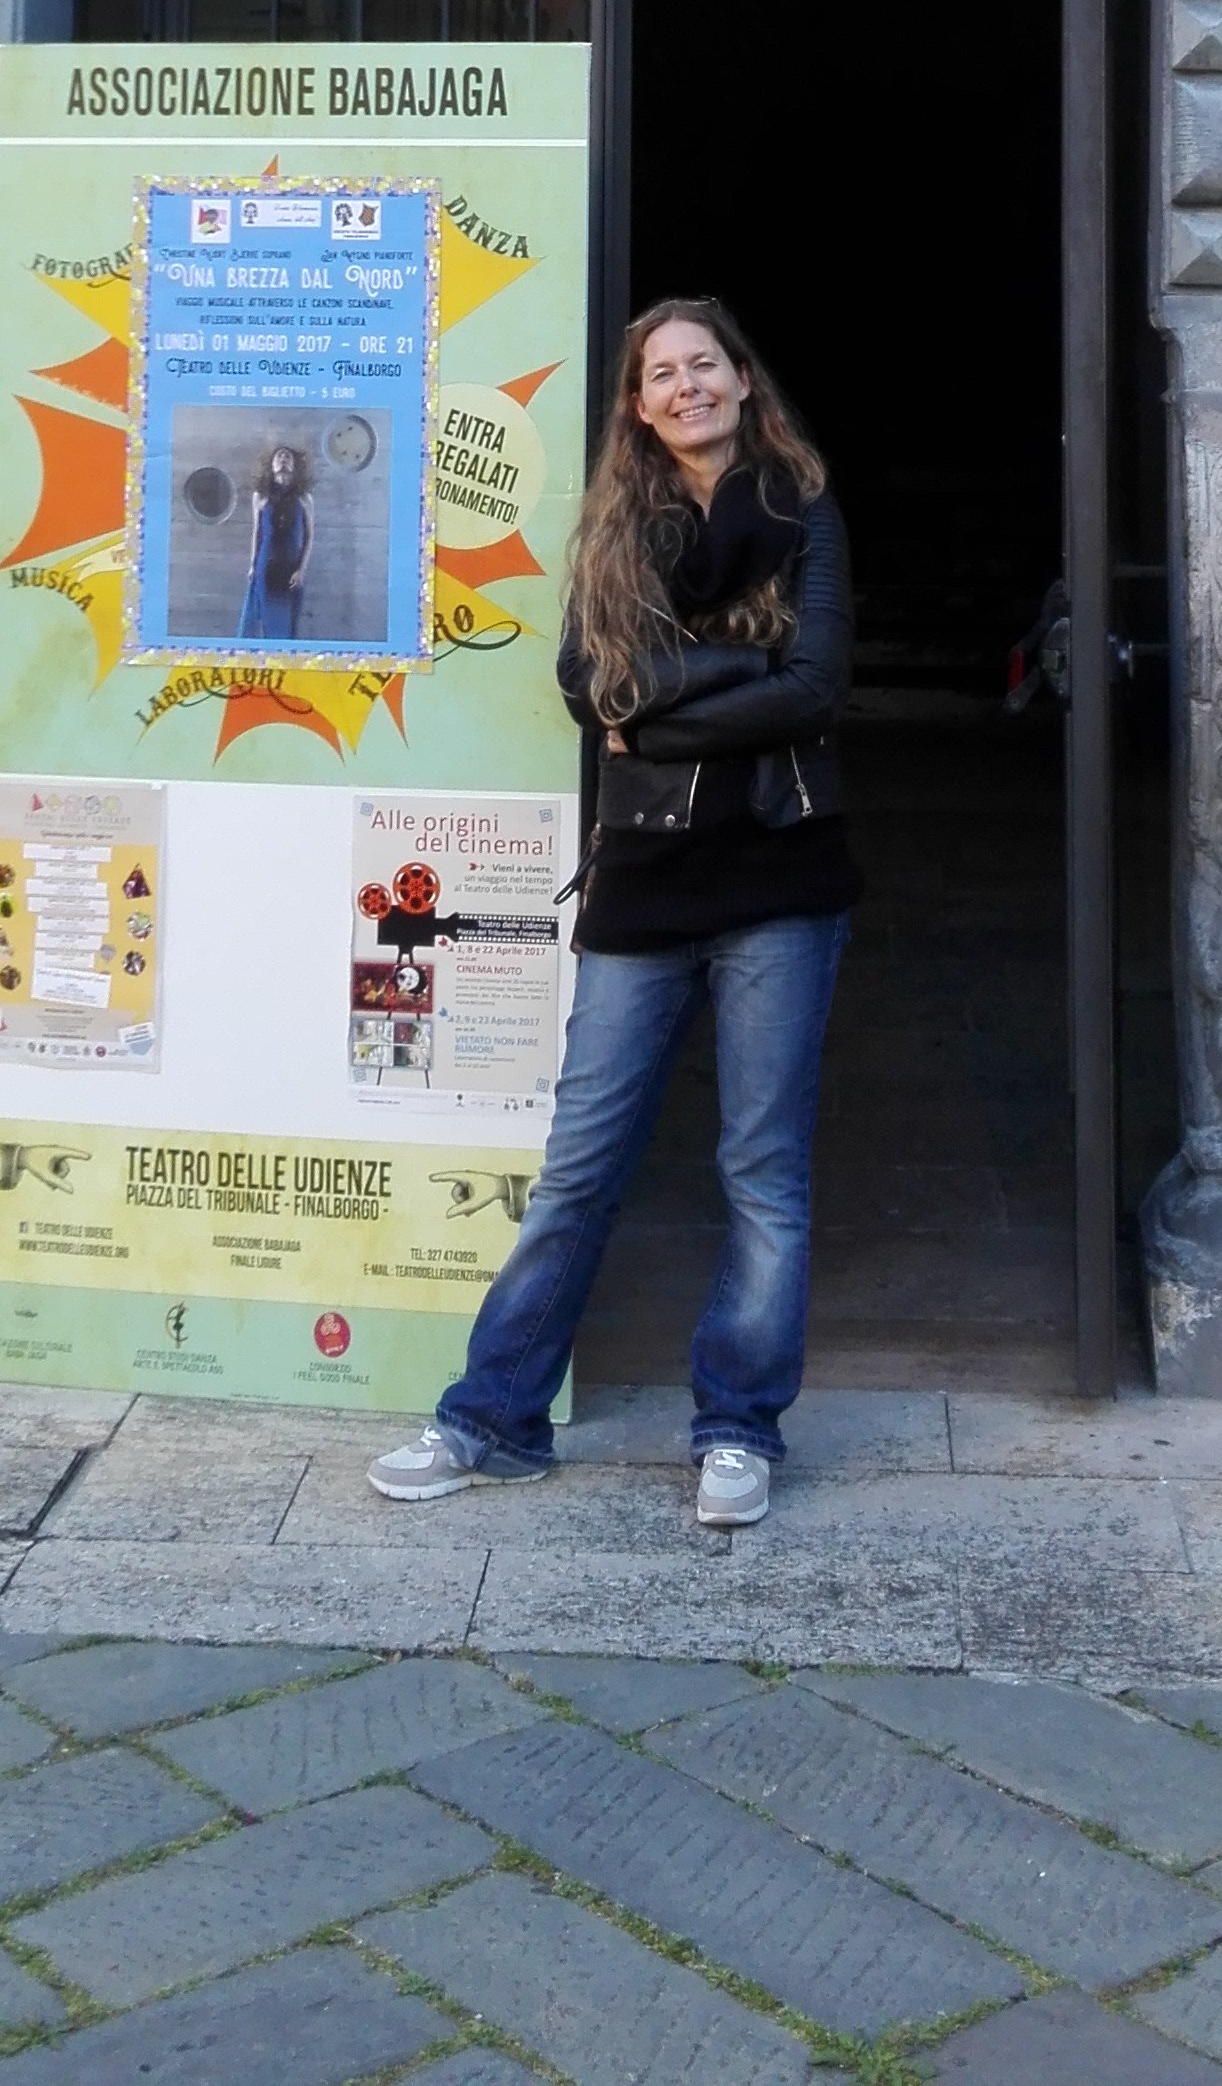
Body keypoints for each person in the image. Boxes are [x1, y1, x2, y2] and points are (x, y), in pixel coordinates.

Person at [370, 296, 857, 1530]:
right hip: (642, 883)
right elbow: (593, 684)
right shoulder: (616, 528)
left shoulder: (804, 512)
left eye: (705, 364)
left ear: (744, 383)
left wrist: (666, 703)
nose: (686, 386)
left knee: (761, 1172)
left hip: (780, 881)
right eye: (661, 373)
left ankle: (739, 1427)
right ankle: (493, 1417)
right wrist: (730, 674)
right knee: (577, 1169)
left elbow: (814, 687)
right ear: (638, 406)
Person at [237, 441, 312, 643]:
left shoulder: (304, 499)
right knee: (262, 617)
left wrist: (301, 570)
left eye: (288, 457)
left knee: (287, 622)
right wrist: (252, 564)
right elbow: (257, 532)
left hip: (290, 568)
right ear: (271, 465)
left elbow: (309, 536)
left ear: (295, 466)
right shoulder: (259, 497)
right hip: (265, 565)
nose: (283, 460)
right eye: (278, 456)